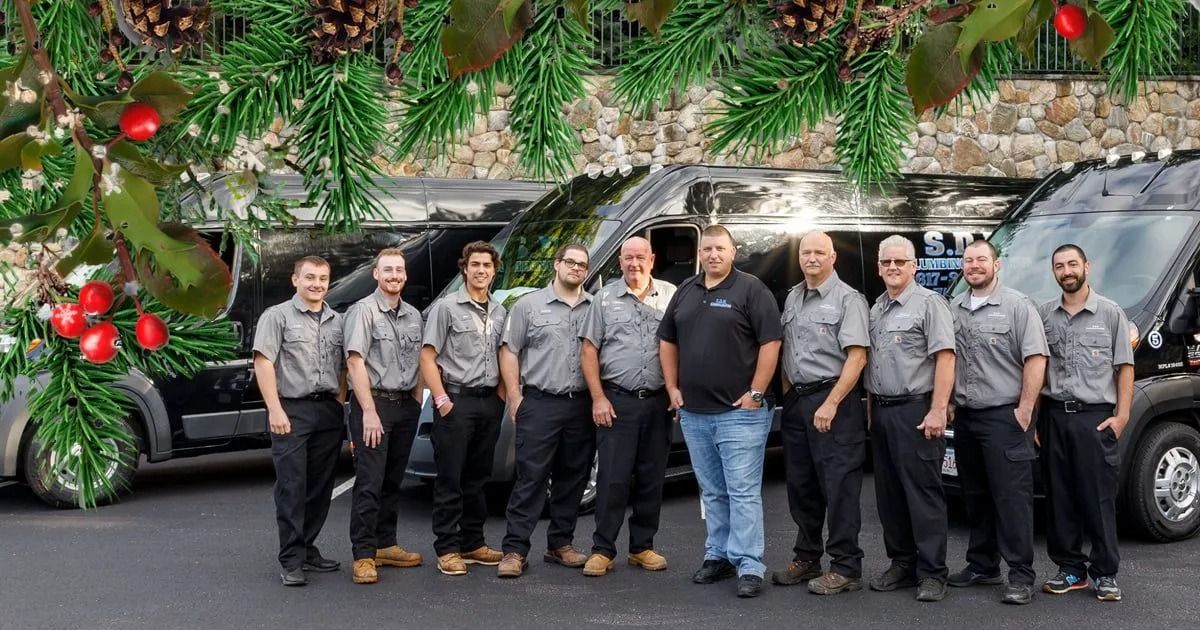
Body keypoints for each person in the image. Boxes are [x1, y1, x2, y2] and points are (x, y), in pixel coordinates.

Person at [658, 224, 782, 599]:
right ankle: (718, 555)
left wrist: (756, 393)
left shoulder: (751, 289)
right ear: (700, 253)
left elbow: (771, 342)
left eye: (720, 249)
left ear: (733, 251)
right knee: (712, 491)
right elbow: (667, 340)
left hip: (739, 413)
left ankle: (749, 564)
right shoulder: (686, 290)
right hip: (694, 413)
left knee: (742, 491)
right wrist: (672, 387)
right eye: (707, 249)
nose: (713, 255)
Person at [947, 239, 1047, 606]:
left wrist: (1024, 410)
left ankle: (1021, 575)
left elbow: (1036, 359)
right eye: (968, 260)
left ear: (997, 264)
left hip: (1005, 417)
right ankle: (983, 565)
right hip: (967, 417)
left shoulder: (1018, 307)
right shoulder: (953, 308)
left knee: (1012, 499)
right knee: (975, 495)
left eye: (981, 260)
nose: (974, 265)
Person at [770, 231, 870, 596]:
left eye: (819, 252)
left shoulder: (849, 300)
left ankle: (846, 566)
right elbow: (787, 351)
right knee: (802, 485)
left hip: (834, 401)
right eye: (806, 252)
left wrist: (831, 402)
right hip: (799, 402)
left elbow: (858, 356)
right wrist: (789, 395)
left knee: (839, 487)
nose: (811, 258)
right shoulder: (794, 297)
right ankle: (807, 556)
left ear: (833, 258)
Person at [1037, 244, 1134, 603]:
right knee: (1059, 497)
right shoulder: (1044, 314)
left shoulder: (1110, 313)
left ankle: (1105, 574)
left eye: (1072, 264)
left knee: (1098, 499)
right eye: (1060, 266)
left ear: (1086, 267)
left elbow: (1125, 367)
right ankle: (1071, 570)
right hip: (1054, 416)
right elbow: (1036, 369)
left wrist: (1122, 416)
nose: (1067, 271)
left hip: (1095, 418)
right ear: (1055, 272)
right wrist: (1034, 419)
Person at [496, 244, 596, 579]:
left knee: (573, 477)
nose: (576, 268)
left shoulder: (595, 307)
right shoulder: (528, 306)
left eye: (582, 264)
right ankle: (514, 550)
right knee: (531, 478)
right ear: (556, 265)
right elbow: (509, 351)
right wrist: (515, 397)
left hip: (580, 404)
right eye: (570, 262)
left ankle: (560, 545)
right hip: (539, 402)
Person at [865, 235, 956, 603]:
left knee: (923, 495)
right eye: (886, 262)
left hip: (916, 411)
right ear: (879, 267)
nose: (892, 268)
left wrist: (937, 409)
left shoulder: (929, 304)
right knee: (889, 496)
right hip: (883, 413)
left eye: (900, 262)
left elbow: (946, 358)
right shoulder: (875, 308)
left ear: (914, 265)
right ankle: (902, 563)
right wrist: (871, 413)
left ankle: (933, 572)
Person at [579, 237, 677, 577]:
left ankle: (642, 547)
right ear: (619, 262)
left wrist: (677, 392)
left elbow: (683, 345)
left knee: (652, 477)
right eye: (628, 258)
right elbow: (589, 350)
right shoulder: (604, 299)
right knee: (612, 479)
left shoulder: (670, 295)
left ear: (652, 259)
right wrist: (598, 397)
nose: (634, 263)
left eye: (640, 257)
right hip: (616, 401)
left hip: (658, 402)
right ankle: (602, 550)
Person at [252, 256, 346, 587]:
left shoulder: (338, 320)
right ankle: (291, 559)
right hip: (291, 410)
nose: (316, 283)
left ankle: (307, 548)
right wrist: (275, 409)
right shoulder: (277, 317)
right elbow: (263, 363)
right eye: (309, 277)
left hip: (328, 411)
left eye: (322, 278)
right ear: (295, 280)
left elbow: (345, 366)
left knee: (320, 487)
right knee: (292, 486)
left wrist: (338, 400)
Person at [420, 241, 508, 576]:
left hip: (489, 403)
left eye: (487, 265)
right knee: (450, 479)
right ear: (465, 268)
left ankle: (473, 542)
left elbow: (505, 355)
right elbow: (427, 356)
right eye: (475, 265)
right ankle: (447, 548)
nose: (481, 270)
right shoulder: (447, 308)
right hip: (456, 402)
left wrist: (500, 397)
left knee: (478, 478)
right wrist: (442, 401)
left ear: (494, 270)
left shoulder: (500, 311)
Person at [342, 248, 425, 584]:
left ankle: (386, 544)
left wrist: (417, 400)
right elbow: (354, 362)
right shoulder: (362, 311)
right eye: (387, 270)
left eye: (399, 270)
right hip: (373, 406)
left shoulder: (414, 315)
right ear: (375, 274)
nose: (394, 275)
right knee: (369, 483)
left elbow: (422, 358)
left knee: (393, 481)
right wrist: (369, 412)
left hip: (405, 405)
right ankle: (363, 555)